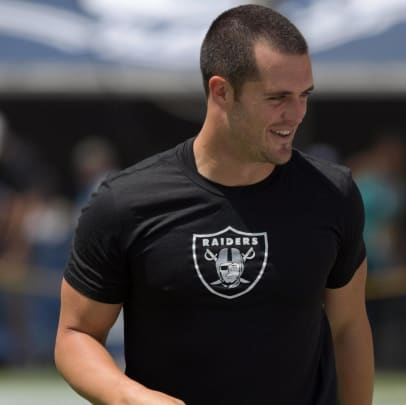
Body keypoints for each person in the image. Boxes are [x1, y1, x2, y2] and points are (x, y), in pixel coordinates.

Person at [54, 5, 373, 405]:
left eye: (303, 95)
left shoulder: (333, 193)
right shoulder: (125, 203)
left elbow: (348, 327)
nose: (295, 115)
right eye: (277, 98)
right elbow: (76, 334)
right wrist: (129, 397)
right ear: (221, 91)